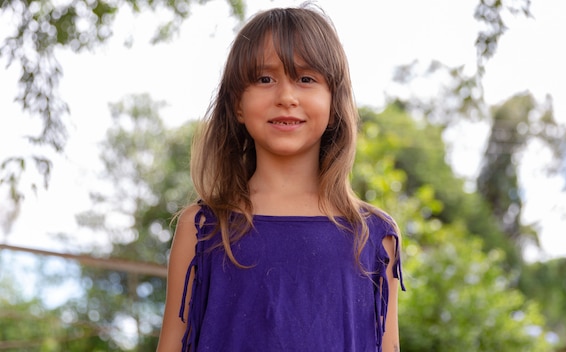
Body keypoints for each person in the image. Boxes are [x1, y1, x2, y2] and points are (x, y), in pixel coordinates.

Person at [157, 4, 404, 352]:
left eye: (306, 79)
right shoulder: (201, 229)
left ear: (334, 103)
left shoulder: (374, 236)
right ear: (237, 104)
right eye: (264, 79)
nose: (286, 97)